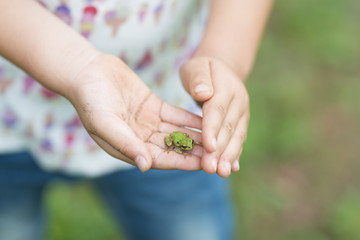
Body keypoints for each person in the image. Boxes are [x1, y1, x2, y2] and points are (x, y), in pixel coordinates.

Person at [0, 0, 272, 239]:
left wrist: (223, 58)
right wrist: (79, 67)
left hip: (159, 108)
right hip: (10, 121)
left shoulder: (174, 136)